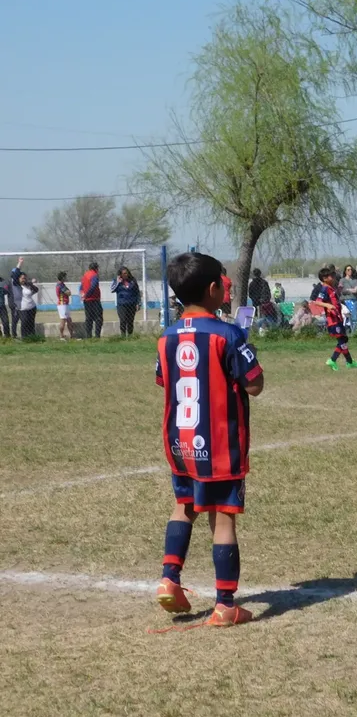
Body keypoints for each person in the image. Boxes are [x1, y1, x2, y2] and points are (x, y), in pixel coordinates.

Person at [154, 252, 265, 627]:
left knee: (183, 504)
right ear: (215, 288)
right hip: (218, 444)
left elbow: (163, 380)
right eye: (224, 280)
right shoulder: (228, 334)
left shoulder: (165, 337)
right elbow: (254, 385)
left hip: (181, 442)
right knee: (223, 520)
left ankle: (169, 578)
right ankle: (225, 605)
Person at [316, 267, 357, 371]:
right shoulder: (324, 289)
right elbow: (317, 301)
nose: (332, 277)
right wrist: (328, 306)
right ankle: (339, 361)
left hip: (338, 318)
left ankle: (347, 362)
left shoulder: (331, 288)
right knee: (342, 340)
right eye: (329, 276)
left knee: (343, 339)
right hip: (332, 319)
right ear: (324, 278)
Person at [110, 266, 141, 337]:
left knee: (130, 321)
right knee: (123, 320)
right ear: (120, 274)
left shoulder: (133, 280)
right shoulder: (117, 281)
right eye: (124, 273)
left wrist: (138, 303)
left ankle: (130, 335)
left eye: (126, 273)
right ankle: (123, 335)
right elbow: (112, 290)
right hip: (122, 304)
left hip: (132, 304)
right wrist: (118, 282)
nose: (125, 275)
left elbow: (137, 292)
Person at [80, 262, 103, 338]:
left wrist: (83, 295)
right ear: (96, 268)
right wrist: (87, 295)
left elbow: (81, 287)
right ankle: (97, 336)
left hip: (86, 301)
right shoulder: (94, 275)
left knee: (89, 318)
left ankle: (89, 336)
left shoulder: (85, 275)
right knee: (98, 318)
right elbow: (93, 286)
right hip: (94, 299)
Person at [18, 273, 39, 338]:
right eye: (22, 278)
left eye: (25, 278)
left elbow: (36, 290)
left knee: (31, 323)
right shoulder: (16, 286)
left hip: (32, 307)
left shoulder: (27, 286)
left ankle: (32, 337)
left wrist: (31, 285)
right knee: (24, 322)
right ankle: (24, 337)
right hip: (22, 308)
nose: (24, 280)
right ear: (18, 279)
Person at [9, 258, 25, 338]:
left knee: (22, 320)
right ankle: (14, 335)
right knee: (15, 321)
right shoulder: (14, 281)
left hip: (20, 304)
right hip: (16, 305)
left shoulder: (18, 282)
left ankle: (22, 335)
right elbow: (16, 274)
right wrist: (19, 263)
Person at [55, 271, 73, 340]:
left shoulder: (62, 284)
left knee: (69, 319)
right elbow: (68, 293)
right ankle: (61, 336)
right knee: (63, 320)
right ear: (62, 277)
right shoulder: (60, 285)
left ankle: (71, 335)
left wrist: (68, 292)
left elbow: (68, 292)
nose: (66, 278)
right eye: (65, 277)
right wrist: (68, 292)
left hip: (65, 304)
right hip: (62, 304)